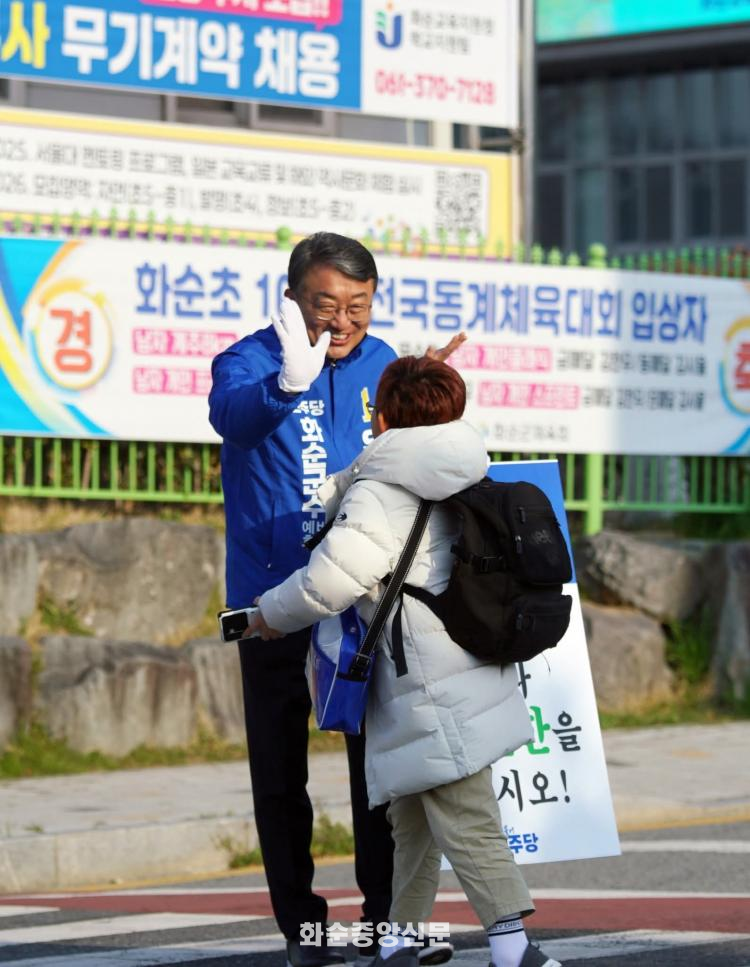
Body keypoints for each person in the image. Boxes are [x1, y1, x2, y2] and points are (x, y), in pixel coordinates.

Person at [246, 356, 563, 967]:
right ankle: (397, 939)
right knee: (413, 816)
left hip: (424, 679)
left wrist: (268, 613)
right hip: (464, 665)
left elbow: (330, 581)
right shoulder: (464, 471)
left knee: (465, 814)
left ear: (384, 417)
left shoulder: (382, 488)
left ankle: (511, 948)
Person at [208, 233, 462, 967]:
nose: (343, 320)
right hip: (269, 602)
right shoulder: (248, 361)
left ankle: (386, 920)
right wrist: (288, 384)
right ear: (292, 297)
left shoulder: (382, 364)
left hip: (362, 596)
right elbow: (234, 417)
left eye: (359, 305)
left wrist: (426, 394)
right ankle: (303, 929)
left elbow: (411, 453)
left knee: (377, 767)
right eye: (327, 304)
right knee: (279, 772)